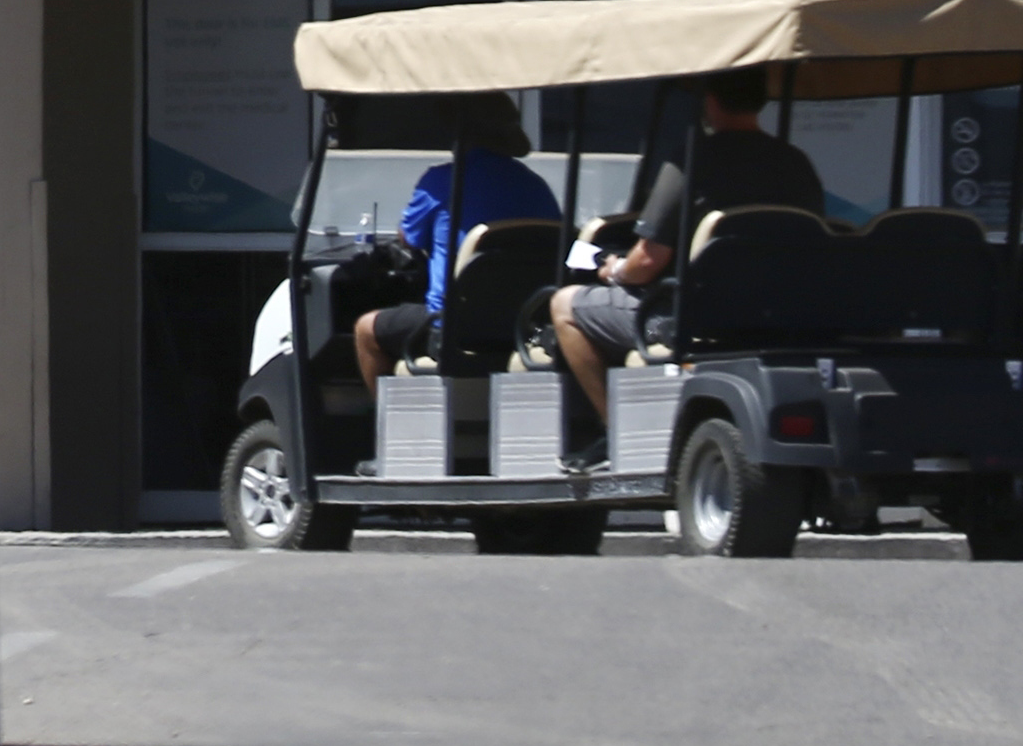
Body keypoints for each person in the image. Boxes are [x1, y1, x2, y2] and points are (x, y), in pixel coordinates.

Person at [547, 66, 824, 456]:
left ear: (710, 100)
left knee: (564, 305)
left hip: (694, 318)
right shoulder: (796, 163)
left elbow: (648, 261)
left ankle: (614, 431)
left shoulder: (693, 160)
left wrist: (614, 269)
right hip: (778, 313)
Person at [352, 90, 565, 391]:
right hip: (525, 322)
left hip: (454, 325)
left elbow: (409, 238)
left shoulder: (441, 181)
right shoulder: (536, 185)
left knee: (365, 330)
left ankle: (380, 419)